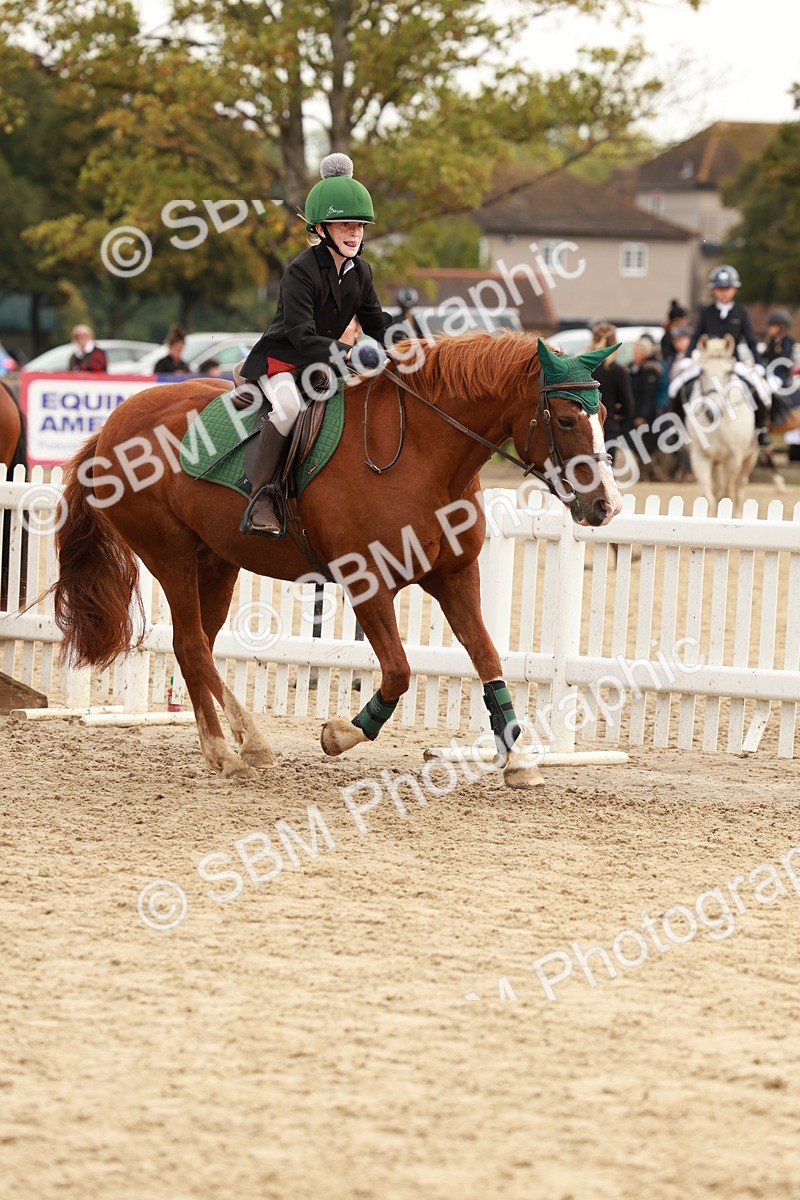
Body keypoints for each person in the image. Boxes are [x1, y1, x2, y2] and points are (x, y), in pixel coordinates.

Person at [238, 152, 399, 537]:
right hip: (282, 360)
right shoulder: (300, 271)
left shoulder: (361, 271)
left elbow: (377, 322)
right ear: (321, 228)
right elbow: (300, 335)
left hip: (322, 365)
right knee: (290, 407)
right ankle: (260, 497)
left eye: (359, 226)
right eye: (345, 224)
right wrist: (350, 354)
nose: (354, 233)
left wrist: (411, 347)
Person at [683, 264, 772, 447]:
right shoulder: (707, 312)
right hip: (708, 362)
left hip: (732, 361)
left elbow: (750, 338)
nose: (724, 293)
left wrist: (758, 361)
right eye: (720, 289)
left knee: (761, 389)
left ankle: (760, 429)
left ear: (734, 290)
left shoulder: (741, 312)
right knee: (677, 387)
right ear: (714, 290)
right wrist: (687, 356)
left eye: (727, 289)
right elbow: (696, 335)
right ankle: (680, 430)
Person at [587, 322, 634, 467]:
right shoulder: (618, 371)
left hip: (583, 425)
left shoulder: (584, 367)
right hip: (608, 424)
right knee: (605, 472)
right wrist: (618, 411)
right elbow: (628, 405)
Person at [629, 335, 666, 481]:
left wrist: (642, 416)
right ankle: (647, 473)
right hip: (635, 411)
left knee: (645, 445)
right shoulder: (635, 368)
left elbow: (649, 396)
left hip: (647, 414)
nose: (634, 355)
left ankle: (648, 474)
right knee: (638, 444)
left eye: (636, 352)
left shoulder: (651, 370)